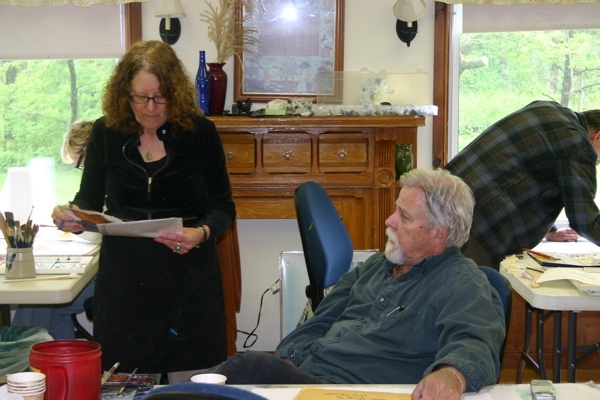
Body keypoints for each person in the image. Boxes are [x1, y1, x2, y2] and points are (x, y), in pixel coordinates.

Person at [187, 168, 505, 399]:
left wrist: (452, 375)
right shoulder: (376, 267)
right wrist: (284, 367)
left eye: (404, 216)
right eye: (395, 210)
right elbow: (320, 320)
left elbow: (475, 340)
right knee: (251, 372)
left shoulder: (462, 281)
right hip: (313, 384)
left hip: (364, 392)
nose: (389, 221)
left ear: (438, 233)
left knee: (248, 366)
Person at [50, 40, 236, 380]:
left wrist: (201, 233)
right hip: (125, 287)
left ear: (175, 92)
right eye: (141, 97)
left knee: (191, 391)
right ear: (125, 94)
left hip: (188, 282)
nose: (150, 108)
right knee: (125, 388)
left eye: (160, 97)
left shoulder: (200, 133)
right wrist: (69, 215)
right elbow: (88, 201)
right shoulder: (105, 133)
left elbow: (223, 207)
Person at [445, 100, 600, 269]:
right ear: (598, 136)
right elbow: (585, 220)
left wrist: (551, 230)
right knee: (468, 284)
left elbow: (528, 168)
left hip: (442, 204)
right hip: (476, 229)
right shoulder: (578, 145)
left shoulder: (547, 109)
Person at [12, 120, 98, 339]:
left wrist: (81, 224)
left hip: (118, 271)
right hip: (104, 264)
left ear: (88, 151)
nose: (84, 171)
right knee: (52, 307)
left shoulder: (112, 180)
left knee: (37, 301)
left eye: (81, 164)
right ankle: (46, 358)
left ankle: (23, 356)